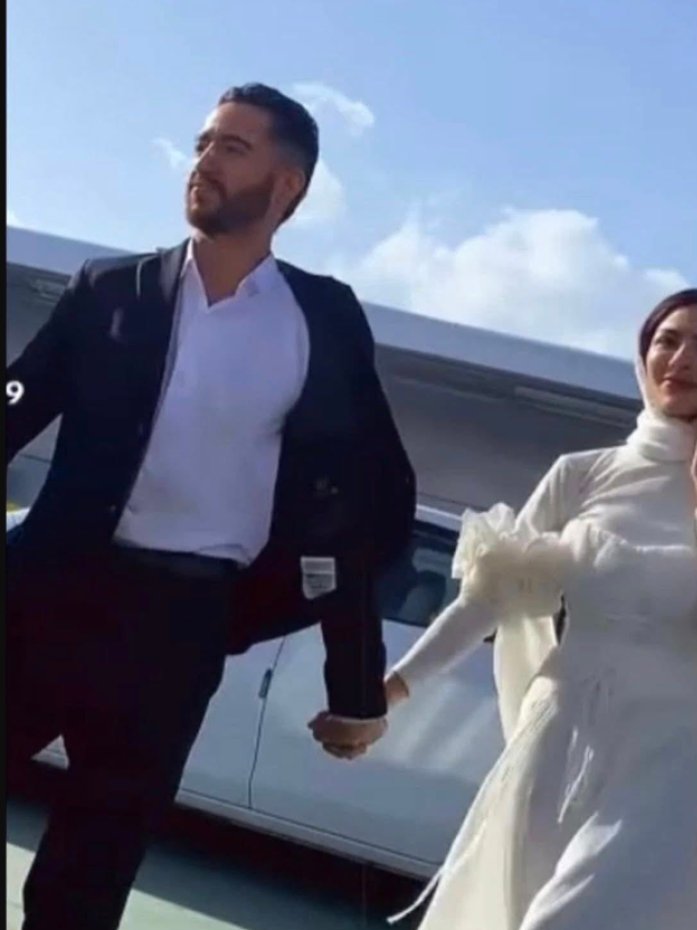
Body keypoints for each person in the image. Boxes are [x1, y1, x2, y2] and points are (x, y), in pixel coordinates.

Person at [6, 83, 415, 930]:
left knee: (89, 875)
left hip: (177, 628)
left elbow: (359, 504)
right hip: (40, 597)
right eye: (201, 143)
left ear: (287, 184)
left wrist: (355, 684)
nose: (203, 162)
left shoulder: (322, 320)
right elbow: (12, 407)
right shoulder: (109, 288)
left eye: (232, 148)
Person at [372, 288, 697, 929]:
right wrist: (389, 692)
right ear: (643, 355)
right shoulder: (581, 473)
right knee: (514, 911)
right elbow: (489, 598)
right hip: (557, 730)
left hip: (671, 754)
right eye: (667, 340)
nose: (681, 358)